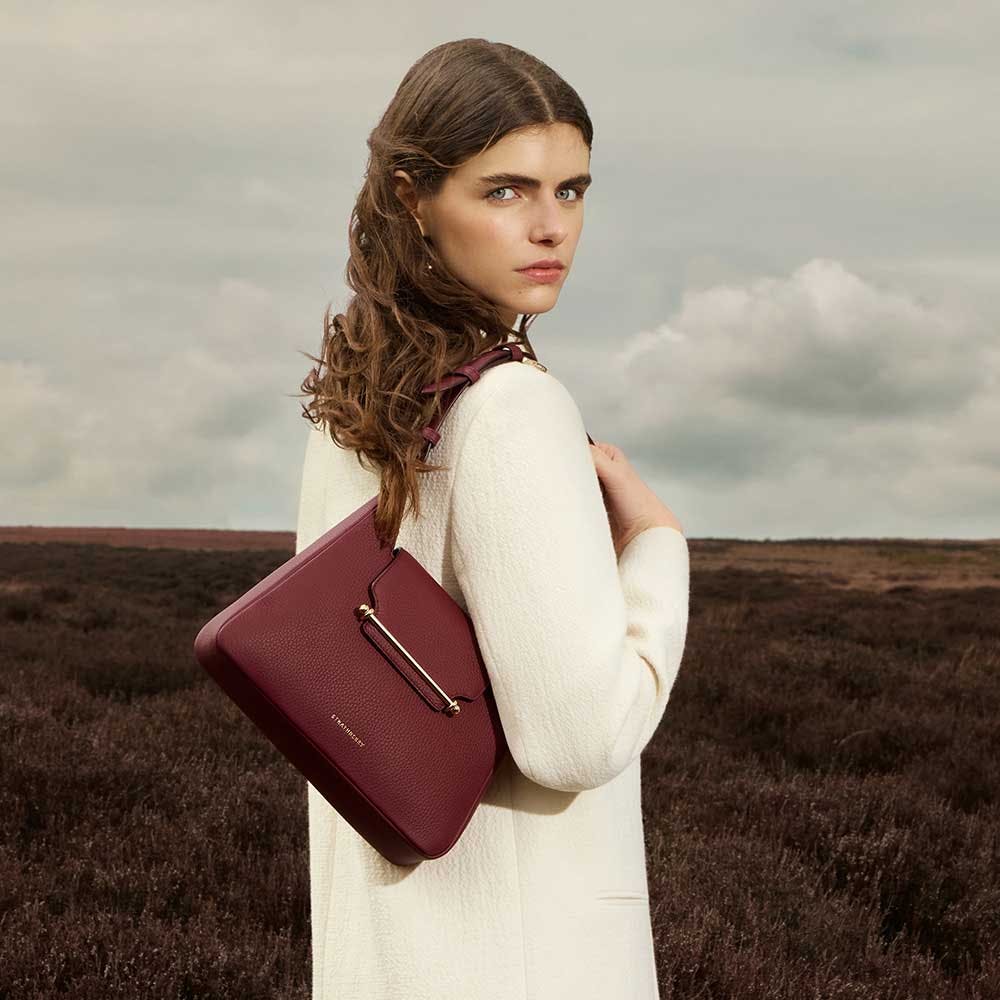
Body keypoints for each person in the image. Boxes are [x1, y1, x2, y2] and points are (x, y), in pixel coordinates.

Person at [294, 37, 689, 1000]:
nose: (551, 228)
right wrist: (657, 551)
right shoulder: (512, 407)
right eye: (504, 191)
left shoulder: (355, 405)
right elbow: (574, 741)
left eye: (572, 190)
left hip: (386, 956)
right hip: (525, 962)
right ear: (408, 198)